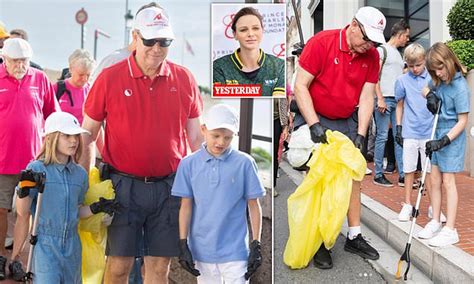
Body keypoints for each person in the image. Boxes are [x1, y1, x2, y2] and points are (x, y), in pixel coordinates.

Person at [80, 5, 203, 283]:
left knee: (160, 268)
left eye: (164, 41)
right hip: (123, 188)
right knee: (119, 267)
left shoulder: (185, 79)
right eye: (150, 40)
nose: (157, 48)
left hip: (170, 187)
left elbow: (196, 139)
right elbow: (87, 134)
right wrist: (82, 180)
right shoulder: (109, 78)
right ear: (135, 37)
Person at [293, 6, 385, 269]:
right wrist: (313, 124)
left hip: (346, 118)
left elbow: (367, 97)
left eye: (373, 42)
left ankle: (353, 236)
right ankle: (320, 240)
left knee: (354, 176)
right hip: (315, 113)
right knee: (322, 178)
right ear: (353, 26)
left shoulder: (372, 56)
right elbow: (300, 86)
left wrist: (361, 134)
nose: (368, 46)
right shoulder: (322, 42)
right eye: (366, 38)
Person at [10, 112, 120, 283]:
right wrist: (24, 188)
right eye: (67, 136)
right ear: (52, 138)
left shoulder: (80, 175)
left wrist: (96, 207)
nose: (74, 141)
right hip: (45, 244)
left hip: (72, 245)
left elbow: (75, 211)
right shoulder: (37, 168)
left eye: (76, 136)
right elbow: (24, 213)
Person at [172, 104, 265, 283]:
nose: (221, 142)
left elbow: (254, 206)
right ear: (204, 129)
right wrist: (183, 243)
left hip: (236, 250)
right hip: (201, 250)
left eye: (227, 137)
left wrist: (256, 244)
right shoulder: (188, 164)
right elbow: (185, 206)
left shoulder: (245, 163)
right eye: (216, 136)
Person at [0, 38, 59, 280]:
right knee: (1, 210)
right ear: (5, 59)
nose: (20, 65)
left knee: (26, 212)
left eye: (24, 60)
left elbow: (52, 115)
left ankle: (16, 259)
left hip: (32, 162)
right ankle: (0, 257)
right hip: (2, 160)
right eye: (15, 61)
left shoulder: (40, 78)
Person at [416, 42, 470, 247]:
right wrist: (429, 95)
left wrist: (444, 141)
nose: (439, 73)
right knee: (434, 179)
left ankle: (451, 229)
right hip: (437, 130)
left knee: (448, 181)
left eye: (441, 68)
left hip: (451, 136)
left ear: (449, 61)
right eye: (434, 70)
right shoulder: (438, 81)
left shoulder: (461, 88)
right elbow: (424, 88)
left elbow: (463, 121)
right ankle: (436, 220)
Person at [394, 43, 434, 221]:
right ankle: (408, 204)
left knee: (430, 172)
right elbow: (400, 104)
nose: (415, 69)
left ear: (424, 61)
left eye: (418, 65)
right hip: (410, 130)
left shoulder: (433, 79)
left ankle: (434, 206)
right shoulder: (402, 80)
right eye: (411, 66)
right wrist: (398, 126)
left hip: (429, 131)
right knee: (409, 170)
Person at [213, 7, 285, 97]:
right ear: (235, 34)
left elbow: (277, 103)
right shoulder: (219, 67)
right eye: (243, 30)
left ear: (262, 31)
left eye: (255, 28)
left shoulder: (279, 66)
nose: (250, 34)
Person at [373, 19, 410, 187]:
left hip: (398, 101)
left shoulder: (398, 53)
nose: (407, 40)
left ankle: (403, 175)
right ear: (400, 34)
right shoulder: (381, 50)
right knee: (381, 136)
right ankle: (378, 174)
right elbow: (374, 77)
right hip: (385, 100)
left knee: (399, 137)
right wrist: (379, 98)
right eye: (406, 36)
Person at [54, 49, 95, 124]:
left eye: (88, 75)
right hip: (62, 134)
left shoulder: (92, 90)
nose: (85, 79)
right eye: (81, 74)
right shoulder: (57, 88)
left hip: (84, 134)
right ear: (70, 69)